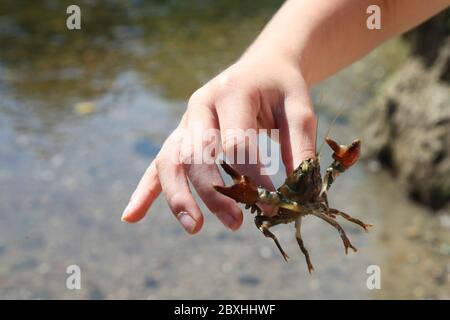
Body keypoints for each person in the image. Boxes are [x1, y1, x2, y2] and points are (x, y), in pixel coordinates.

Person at [121, 0, 450, 233]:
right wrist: (274, 58)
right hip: (278, 210)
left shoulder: (318, 191)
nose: (312, 168)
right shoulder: (285, 200)